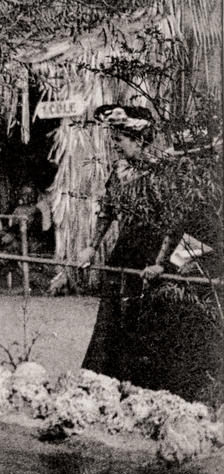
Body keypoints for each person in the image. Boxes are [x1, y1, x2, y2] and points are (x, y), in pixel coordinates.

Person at [75, 105, 182, 387]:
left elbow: (173, 220)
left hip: (154, 253)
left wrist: (161, 261)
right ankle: (104, 382)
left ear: (138, 139)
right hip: (125, 249)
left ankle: (142, 386)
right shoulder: (120, 170)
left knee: (144, 320)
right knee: (111, 318)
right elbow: (107, 210)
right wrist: (91, 246)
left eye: (119, 140)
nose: (115, 146)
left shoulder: (162, 173)